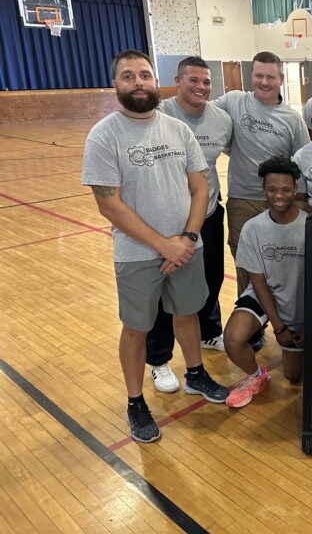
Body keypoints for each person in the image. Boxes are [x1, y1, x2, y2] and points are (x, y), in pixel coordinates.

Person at [81, 50, 228, 444]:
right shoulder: (104, 135)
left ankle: (195, 374)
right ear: (116, 84)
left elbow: (200, 187)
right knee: (136, 328)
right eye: (128, 77)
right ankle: (135, 402)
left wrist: (189, 238)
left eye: (144, 75)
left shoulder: (177, 130)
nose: (138, 83)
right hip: (137, 255)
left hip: (185, 248)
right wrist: (163, 244)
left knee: (187, 314)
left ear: (154, 81)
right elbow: (107, 202)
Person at [145, 56, 234, 394]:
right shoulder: (160, 115)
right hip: (166, 222)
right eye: (193, 80)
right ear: (178, 81)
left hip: (208, 216)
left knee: (209, 281)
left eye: (206, 82)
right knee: (163, 292)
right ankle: (159, 359)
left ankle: (211, 331)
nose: (200, 87)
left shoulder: (222, 120)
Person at [215, 51, 309, 294]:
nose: (264, 82)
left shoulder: (292, 119)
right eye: (258, 76)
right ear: (251, 75)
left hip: (279, 204)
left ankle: (282, 320)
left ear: (280, 78)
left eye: (270, 77)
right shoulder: (233, 102)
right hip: (242, 200)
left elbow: (302, 165)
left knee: (278, 264)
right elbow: (204, 117)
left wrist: (298, 205)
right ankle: (250, 325)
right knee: (245, 264)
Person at [224, 157, 307, 407]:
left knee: (294, 378)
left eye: (285, 190)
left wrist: (308, 326)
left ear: (295, 190)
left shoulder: (310, 226)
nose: (278, 195)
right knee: (233, 339)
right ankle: (256, 376)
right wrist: (279, 328)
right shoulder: (252, 228)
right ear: (264, 190)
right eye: (272, 190)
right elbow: (258, 281)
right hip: (265, 295)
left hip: (300, 302)